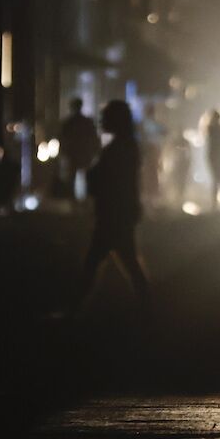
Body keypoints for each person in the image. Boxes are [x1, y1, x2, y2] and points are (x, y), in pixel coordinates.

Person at [69, 100, 152, 316]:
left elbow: (106, 180)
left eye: (105, 116)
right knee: (123, 260)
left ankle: (75, 307)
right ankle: (146, 306)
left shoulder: (119, 148)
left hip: (114, 214)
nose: (101, 120)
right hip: (118, 213)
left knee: (97, 262)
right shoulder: (125, 146)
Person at [58, 97, 101, 201]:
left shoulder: (68, 123)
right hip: (84, 153)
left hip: (73, 153)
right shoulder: (87, 122)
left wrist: (62, 153)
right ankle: (85, 198)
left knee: (72, 177)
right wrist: (96, 151)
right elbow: (94, 138)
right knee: (86, 176)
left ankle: (73, 198)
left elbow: (62, 139)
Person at [202, 109, 220, 210]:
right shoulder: (215, 129)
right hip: (217, 156)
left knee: (216, 180)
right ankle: (217, 203)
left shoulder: (209, 128)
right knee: (218, 179)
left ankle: (215, 203)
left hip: (213, 156)